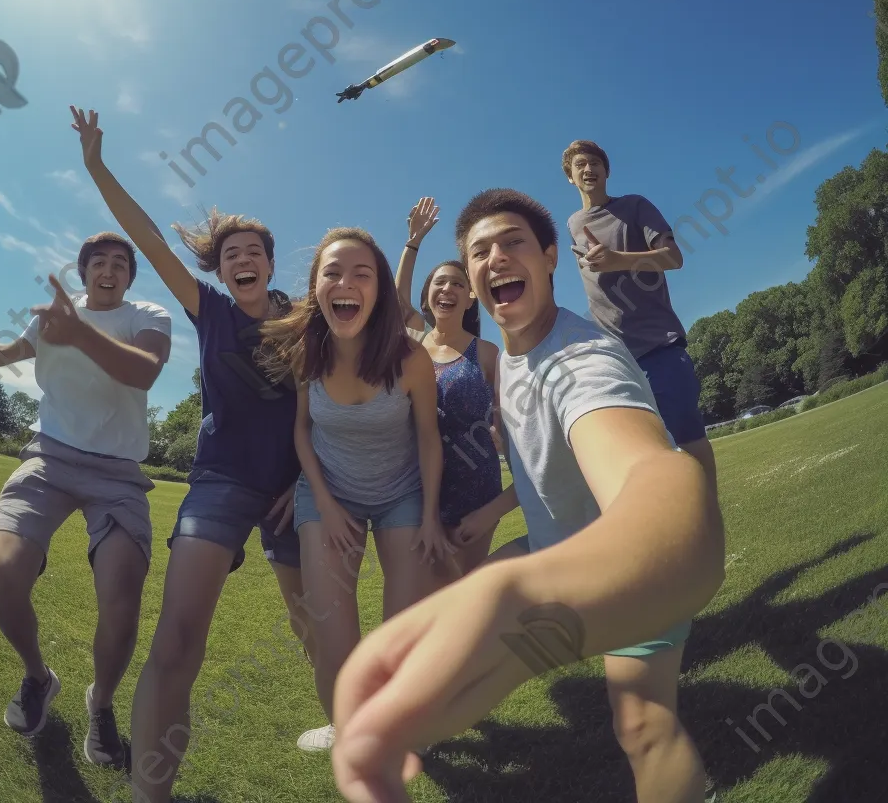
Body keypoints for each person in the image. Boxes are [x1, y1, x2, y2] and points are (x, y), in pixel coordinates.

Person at [329, 188, 726, 803]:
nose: (494, 260)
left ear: (550, 258)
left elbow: (656, 480)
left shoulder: (582, 361)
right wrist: (502, 529)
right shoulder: (512, 354)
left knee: (643, 726)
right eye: (479, 251)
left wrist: (521, 592)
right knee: (461, 622)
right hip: (552, 542)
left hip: (629, 564)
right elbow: (542, 463)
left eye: (512, 243)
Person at [69, 106, 311, 802]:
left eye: (254, 252)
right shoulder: (211, 313)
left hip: (295, 491)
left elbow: (317, 409)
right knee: (178, 640)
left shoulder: (305, 324)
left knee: (313, 627)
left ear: (270, 263)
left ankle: (353, 727)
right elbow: (145, 233)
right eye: (230, 253)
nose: (243, 260)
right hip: (221, 485)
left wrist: (302, 485)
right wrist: (96, 167)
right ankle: (152, 794)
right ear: (219, 267)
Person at [0, 234, 172, 770]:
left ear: (129, 278)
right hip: (50, 458)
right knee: (4, 576)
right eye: (98, 262)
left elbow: (144, 370)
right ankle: (38, 677)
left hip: (118, 473)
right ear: (82, 272)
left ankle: (100, 704)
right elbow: (2, 355)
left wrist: (79, 335)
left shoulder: (147, 315)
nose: (108, 270)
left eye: (120, 264)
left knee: (122, 605)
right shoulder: (57, 317)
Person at [259, 227, 453, 754]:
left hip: (402, 496)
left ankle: (401, 724)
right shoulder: (306, 353)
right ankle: (350, 728)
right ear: (318, 287)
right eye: (333, 272)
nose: (346, 283)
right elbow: (302, 429)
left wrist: (431, 515)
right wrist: (322, 500)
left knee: (400, 635)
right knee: (333, 643)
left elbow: (430, 441)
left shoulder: (412, 359)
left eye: (361, 273)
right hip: (329, 494)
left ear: (380, 289)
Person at [562, 140, 718, 491]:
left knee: (689, 443)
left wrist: (618, 259)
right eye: (580, 165)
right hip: (615, 362)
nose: (589, 169)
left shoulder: (635, 206)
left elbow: (673, 258)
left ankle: (708, 517)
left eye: (595, 163)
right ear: (570, 178)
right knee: (643, 458)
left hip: (659, 349)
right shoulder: (573, 224)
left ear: (607, 170)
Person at [394, 196, 514, 576]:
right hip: (419, 490)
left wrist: (496, 506)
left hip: (477, 492)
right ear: (427, 297)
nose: (447, 289)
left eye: (458, 284)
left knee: (467, 585)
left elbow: (506, 422)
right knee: (429, 587)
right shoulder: (413, 344)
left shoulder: (489, 352)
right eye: (439, 283)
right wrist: (413, 241)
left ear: (471, 296)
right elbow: (397, 302)